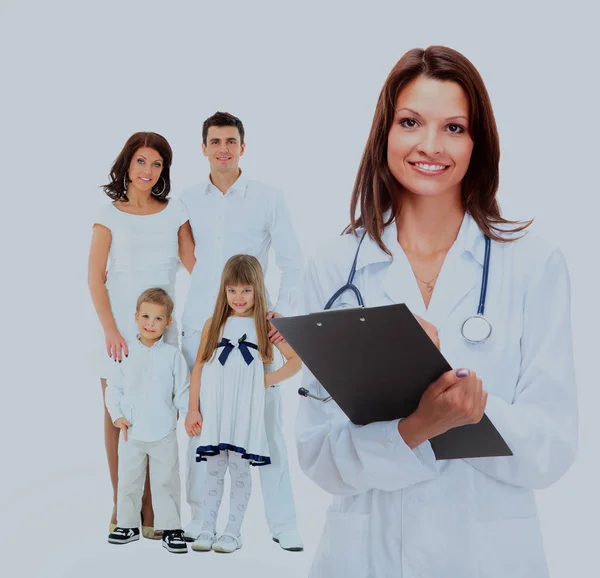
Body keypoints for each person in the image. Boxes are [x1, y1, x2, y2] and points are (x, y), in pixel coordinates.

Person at [295, 46, 577, 578]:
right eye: (410, 122)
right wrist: (415, 428)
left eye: (453, 127)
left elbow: (553, 450)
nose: (430, 145)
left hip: (490, 559)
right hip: (364, 558)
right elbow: (318, 457)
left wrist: (469, 405)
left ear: (478, 143)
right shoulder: (336, 268)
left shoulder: (534, 265)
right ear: (385, 134)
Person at [179, 112, 305, 551]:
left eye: (231, 141)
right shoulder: (189, 199)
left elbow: (293, 263)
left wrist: (277, 317)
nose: (223, 149)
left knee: (266, 427)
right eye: (215, 141)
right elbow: (188, 256)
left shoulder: (268, 198)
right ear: (204, 147)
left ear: (242, 147)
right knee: (201, 426)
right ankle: (201, 519)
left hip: (255, 333)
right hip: (203, 326)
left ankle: (283, 522)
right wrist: (209, 297)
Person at [88, 132, 195, 537]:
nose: (148, 171)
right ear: (127, 164)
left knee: (161, 416)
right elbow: (95, 279)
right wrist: (112, 331)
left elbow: (195, 266)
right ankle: (125, 510)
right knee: (121, 416)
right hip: (118, 332)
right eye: (141, 162)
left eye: (156, 164)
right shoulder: (108, 214)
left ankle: (158, 515)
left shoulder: (175, 211)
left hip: (163, 330)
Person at [184, 255, 302, 553]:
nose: (238, 297)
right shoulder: (215, 323)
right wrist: (193, 408)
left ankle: (232, 532)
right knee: (213, 470)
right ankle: (207, 527)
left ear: (258, 290)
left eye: (246, 290)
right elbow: (198, 366)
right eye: (232, 290)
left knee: (239, 470)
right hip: (217, 410)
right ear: (224, 290)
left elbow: (296, 361)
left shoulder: (265, 324)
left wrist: (264, 381)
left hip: (246, 414)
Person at [104, 288, 190, 553]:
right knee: (129, 479)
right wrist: (117, 416)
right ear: (136, 317)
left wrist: (188, 415)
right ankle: (127, 524)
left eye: (158, 319)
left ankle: (171, 528)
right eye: (146, 316)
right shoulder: (126, 353)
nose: (150, 324)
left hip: (164, 431)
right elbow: (113, 388)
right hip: (132, 431)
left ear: (168, 322)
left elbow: (183, 390)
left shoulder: (173, 356)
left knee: (166, 480)